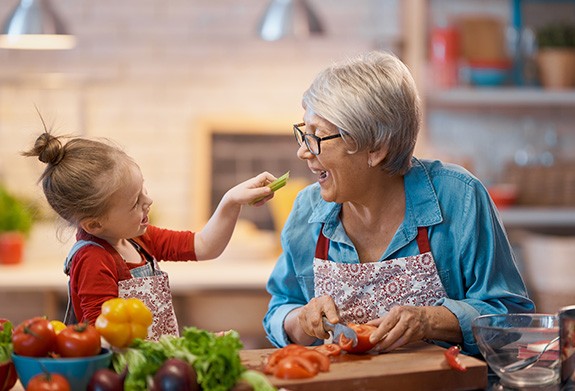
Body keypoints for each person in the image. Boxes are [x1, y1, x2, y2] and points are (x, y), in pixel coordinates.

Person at [262, 51, 534, 355]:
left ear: (376, 148)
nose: (303, 152)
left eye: (317, 137)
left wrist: (432, 320)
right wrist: (301, 319)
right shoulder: (307, 210)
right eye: (303, 132)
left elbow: (510, 318)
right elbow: (280, 309)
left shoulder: (460, 197)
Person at [24, 129, 277, 340]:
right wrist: (189, 348)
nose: (149, 201)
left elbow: (204, 245)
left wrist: (231, 201)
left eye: (143, 189)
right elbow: (105, 341)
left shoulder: (138, 238)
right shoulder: (92, 261)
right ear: (94, 225)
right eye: (135, 202)